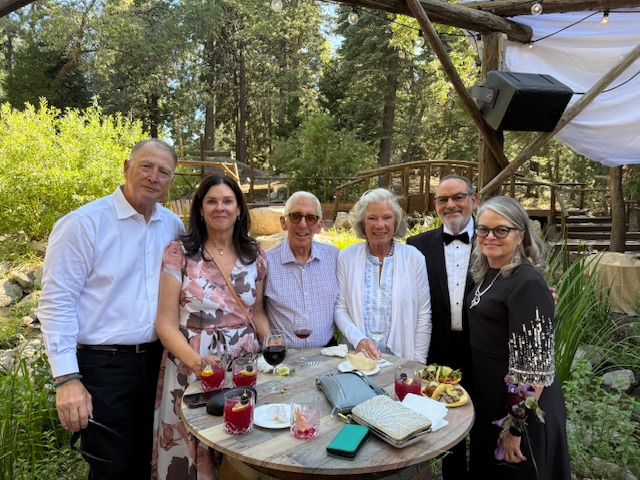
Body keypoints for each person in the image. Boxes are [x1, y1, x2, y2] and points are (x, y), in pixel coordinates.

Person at [38, 139, 184, 479]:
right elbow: (56, 302)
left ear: (171, 181)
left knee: (151, 460)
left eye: (163, 172)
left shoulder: (172, 226)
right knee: (110, 468)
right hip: (104, 367)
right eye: (146, 166)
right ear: (126, 167)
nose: (153, 177)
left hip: (160, 362)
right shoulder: (83, 224)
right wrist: (67, 379)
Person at [152, 174, 271, 480]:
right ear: (200, 209)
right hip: (194, 364)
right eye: (212, 201)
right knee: (195, 444)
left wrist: (270, 340)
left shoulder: (254, 253)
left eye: (228, 201)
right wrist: (197, 363)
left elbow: (257, 312)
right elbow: (165, 323)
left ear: (239, 209)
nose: (220, 207)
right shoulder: (179, 253)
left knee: (241, 447)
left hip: (243, 366)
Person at [467, 196, 571, 479]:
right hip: (491, 402)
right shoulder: (489, 273)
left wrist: (514, 429)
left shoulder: (527, 283)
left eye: (501, 229)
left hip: (522, 413)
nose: (490, 236)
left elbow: (534, 372)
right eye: (483, 229)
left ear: (520, 235)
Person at [406, 173, 476, 479]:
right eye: (443, 199)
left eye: (458, 197)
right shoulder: (416, 245)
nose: (451, 205)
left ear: (474, 200)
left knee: (486, 422)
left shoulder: (494, 239)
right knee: (446, 426)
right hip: (438, 349)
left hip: (482, 348)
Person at [335, 188, 432, 361]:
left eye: (387, 217)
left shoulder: (414, 258)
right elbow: (340, 309)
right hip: (356, 359)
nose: (380, 225)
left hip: (402, 359)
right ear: (362, 223)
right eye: (372, 218)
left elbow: (423, 315)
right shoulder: (346, 257)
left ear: (396, 221)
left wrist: (418, 363)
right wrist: (358, 340)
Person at [264, 191, 340, 348]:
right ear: (283, 222)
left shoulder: (335, 257)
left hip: (327, 354)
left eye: (310, 218)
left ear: (319, 226)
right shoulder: (266, 262)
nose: (303, 224)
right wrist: (269, 339)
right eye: (296, 216)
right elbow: (256, 310)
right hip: (284, 355)